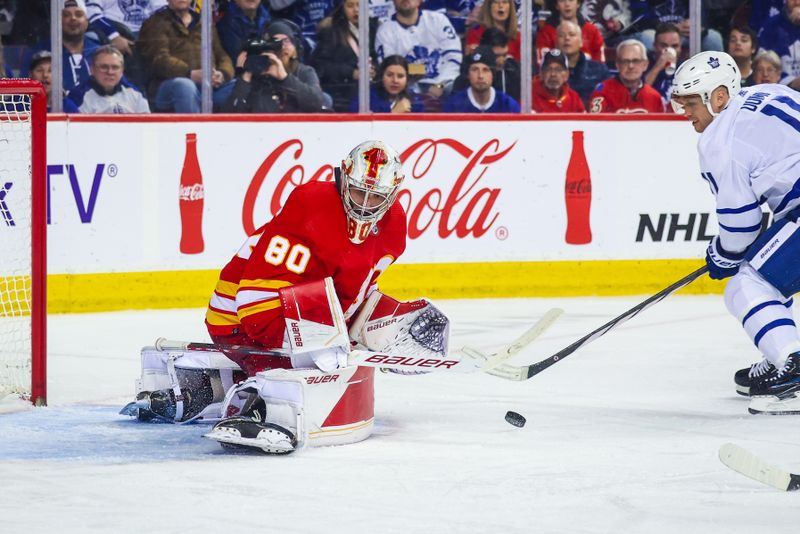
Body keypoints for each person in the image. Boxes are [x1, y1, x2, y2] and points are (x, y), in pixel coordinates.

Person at [670, 51, 800, 415]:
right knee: (769, 274)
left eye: (692, 102)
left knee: (747, 284)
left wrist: (721, 256)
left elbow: (740, 230)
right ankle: (781, 357)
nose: (686, 112)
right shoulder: (770, 92)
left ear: (720, 96)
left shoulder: (719, 141)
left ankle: (794, 371)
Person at [137, 0, 234, 112]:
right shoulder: (155, 23)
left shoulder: (205, 22)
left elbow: (222, 55)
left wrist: (222, 74)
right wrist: (190, 74)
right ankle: (195, 129)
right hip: (167, 86)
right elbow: (158, 60)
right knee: (185, 86)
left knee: (239, 85)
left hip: (208, 86)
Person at [222, 19, 325, 112]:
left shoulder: (304, 72)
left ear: (295, 49)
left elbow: (316, 103)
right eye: (275, 42)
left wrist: (285, 78)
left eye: (286, 41)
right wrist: (246, 78)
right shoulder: (256, 74)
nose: (282, 47)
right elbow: (230, 113)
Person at [374, 0, 462, 101]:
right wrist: (422, 70)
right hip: (407, 87)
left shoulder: (438, 20)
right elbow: (390, 69)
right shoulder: (385, 31)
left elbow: (454, 58)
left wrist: (439, 85)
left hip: (444, 84)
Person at [311, 0, 377, 111]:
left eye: (359, 5)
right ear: (342, 8)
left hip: (368, 93)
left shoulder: (372, 30)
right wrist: (351, 73)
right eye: (350, 6)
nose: (356, 10)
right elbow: (320, 67)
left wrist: (374, 69)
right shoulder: (331, 32)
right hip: (341, 96)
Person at [63, 45, 150, 113]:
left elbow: (147, 126)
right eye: (104, 67)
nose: (110, 72)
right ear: (92, 69)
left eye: (115, 67)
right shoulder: (78, 97)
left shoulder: (135, 94)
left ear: (122, 70)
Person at [589, 39, 664, 112]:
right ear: (617, 65)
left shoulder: (654, 96)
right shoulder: (603, 92)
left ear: (645, 65)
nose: (631, 66)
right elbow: (595, 124)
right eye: (625, 61)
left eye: (636, 61)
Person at [442, 45, 520, 112]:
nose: (480, 76)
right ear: (468, 74)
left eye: (485, 70)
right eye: (475, 70)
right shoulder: (454, 105)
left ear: (493, 74)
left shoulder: (507, 104)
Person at [557, 20, 608, 107]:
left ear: (581, 42)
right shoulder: (548, 72)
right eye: (562, 35)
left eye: (572, 35)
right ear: (556, 43)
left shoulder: (599, 70)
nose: (567, 38)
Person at [86, 0, 167, 55]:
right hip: (116, 32)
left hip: (148, 34)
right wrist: (114, 36)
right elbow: (92, 13)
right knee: (91, 36)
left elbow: (163, 10)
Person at [349, 55, 425, 112]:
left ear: (407, 78)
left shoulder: (415, 101)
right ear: (382, 76)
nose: (395, 80)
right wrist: (393, 114)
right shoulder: (365, 99)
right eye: (389, 75)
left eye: (400, 76)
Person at [537, 0, 605, 63]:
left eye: (571, 0)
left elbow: (600, 65)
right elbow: (543, 65)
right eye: (562, 0)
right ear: (556, 5)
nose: (567, 4)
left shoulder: (592, 31)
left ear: (578, 3)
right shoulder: (545, 33)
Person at [758, 0, 800, 90]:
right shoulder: (771, 25)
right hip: (780, 88)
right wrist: (790, 82)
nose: (797, 2)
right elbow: (762, 60)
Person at [643, 23, 682, 108]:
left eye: (674, 46)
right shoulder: (643, 65)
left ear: (680, 48)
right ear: (654, 46)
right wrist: (657, 67)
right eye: (664, 45)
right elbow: (639, 95)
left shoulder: (686, 68)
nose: (669, 50)